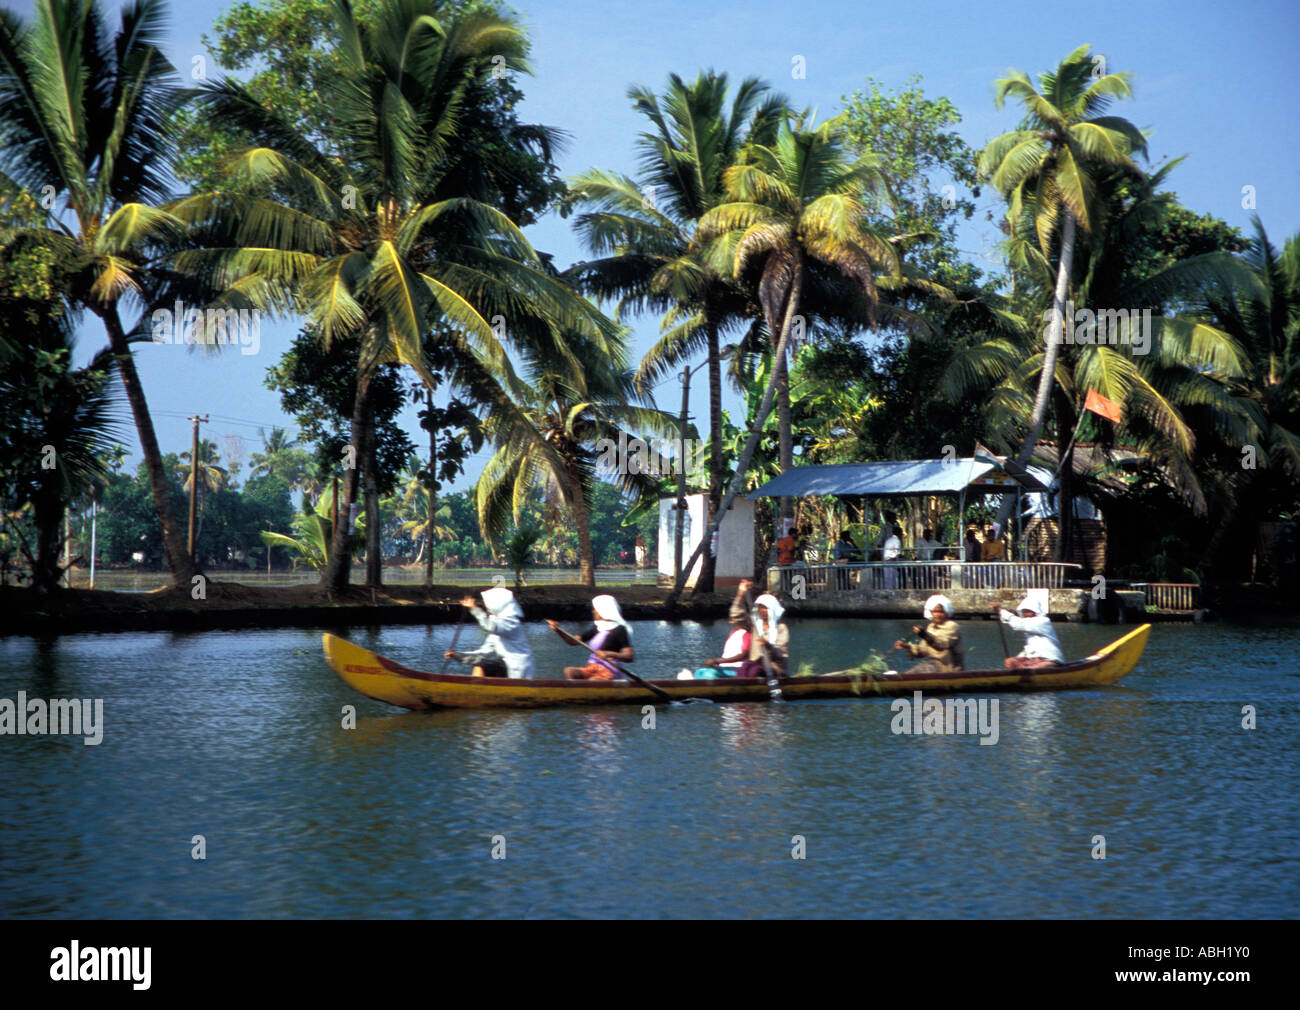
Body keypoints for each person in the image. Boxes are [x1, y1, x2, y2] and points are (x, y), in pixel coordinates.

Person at [444, 586, 535, 679]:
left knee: (482, 666)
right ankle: (475, 691)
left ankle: (476, 691)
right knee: (479, 665)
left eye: (487, 605)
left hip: (519, 669)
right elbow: (482, 654)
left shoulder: (511, 622)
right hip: (506, 665)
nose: (486, 607)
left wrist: (474, 608)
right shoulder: (497, 629)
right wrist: (457, 655)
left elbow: (489, 626)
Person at [549, 595, 634, 680]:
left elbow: (629, 656)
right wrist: (558, 630)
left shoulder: (619, 630)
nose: (593, 611)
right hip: (592, 668)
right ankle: (576, 692)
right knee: (569, 671)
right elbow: (573, 641)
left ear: (603, 610)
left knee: (593, 680)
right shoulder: (597, 627)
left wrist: (609, 654)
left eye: (595, 609)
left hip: (609, 671)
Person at [894, 594, 965, 672]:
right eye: (934, 611)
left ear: (946, 612)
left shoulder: (952, 626)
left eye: (941, 611)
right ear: (931, 612)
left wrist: (924, 634)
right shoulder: (931, 627)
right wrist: (906, 645)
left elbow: (942, 644)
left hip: (949, 668)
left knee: (923, 669)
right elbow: (922, 650)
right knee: (911, 672)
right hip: (933, 664)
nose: (937, 614)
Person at [993, 590, 1063, 668]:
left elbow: (1018, 624)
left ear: (1035, 611)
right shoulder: (1028, 623)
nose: (1025, 614)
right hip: (1032, 657)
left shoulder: (1043, 621)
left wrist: (1000, 610)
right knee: (1009, 662)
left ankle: (1026, 672)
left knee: (1033, 668)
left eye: (1028, 612)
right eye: (1024, 612)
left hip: (1050, 659)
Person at [690, 609, 753, 679]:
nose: (731, 622)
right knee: (700, 672)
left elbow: (743, 656)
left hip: (737, 668)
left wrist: (717, 661)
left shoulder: (747, 634)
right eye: (731, 619)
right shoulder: (733, 632)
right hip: (725, 667)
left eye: (733, 619)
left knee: (708, 674)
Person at [738, 593, 789, 678]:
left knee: (755, 671)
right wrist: (740, 595)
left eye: (765, 608)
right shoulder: (755, 626)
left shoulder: (781, 628)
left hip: (774, 667)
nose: (762, 610)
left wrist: (767, 645)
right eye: (760, 607)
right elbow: (737, 616)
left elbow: (779, 653)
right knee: (744, 667)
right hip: (755, 663)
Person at [882, 522, 903, 589]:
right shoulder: (897, 541)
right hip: (891, 562)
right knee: (893, 581)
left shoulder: (889, 540)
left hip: (886, 562)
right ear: (899, 533)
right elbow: (897, 554)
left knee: (888, 581)